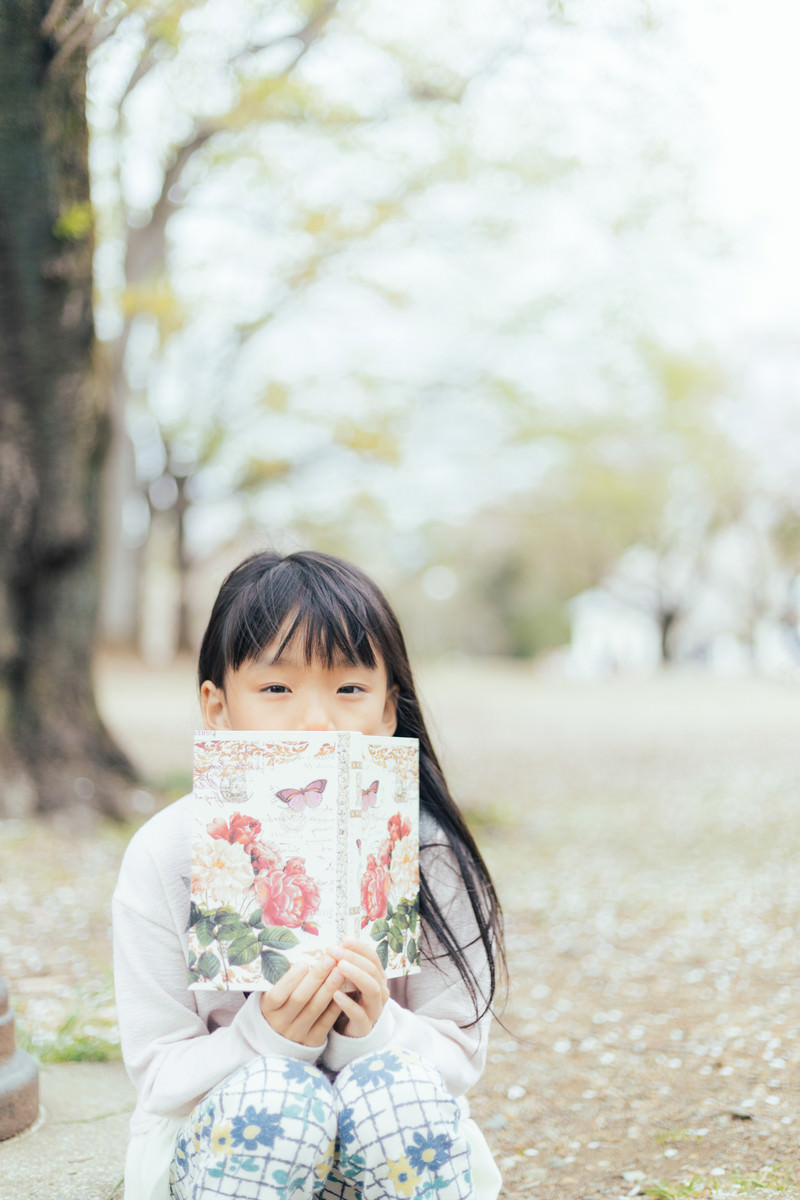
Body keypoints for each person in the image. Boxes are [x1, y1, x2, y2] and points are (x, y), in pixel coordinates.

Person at [113, 549, 506, 1200]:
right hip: (222, 1155)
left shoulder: (430, 851)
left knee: (398, 1088)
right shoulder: (166, 853)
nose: (317, 720)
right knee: (280, 1095)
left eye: (350, 689)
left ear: (387, 710)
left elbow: (459, 1056)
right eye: (276, 688)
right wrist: (264, 1039)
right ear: (217, 706)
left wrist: (376, 1035)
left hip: (391, 1151)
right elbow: (158, 1074)